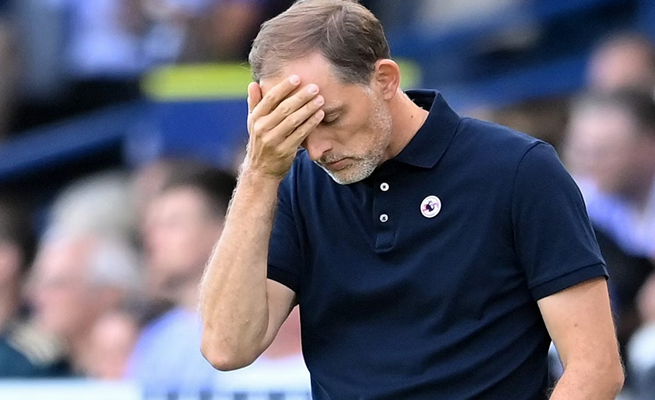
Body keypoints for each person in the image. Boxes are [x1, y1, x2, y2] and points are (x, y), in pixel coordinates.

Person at [198, 1, 624, 399]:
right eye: (297, 129)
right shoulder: (293, 183)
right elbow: (226, 347)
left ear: (385, 79)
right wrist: (258, 174)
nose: (318, 149)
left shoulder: (518, 169)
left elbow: (595, 367)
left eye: (330, 118)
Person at [125, 165, 236, 396]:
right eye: (152, 227)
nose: (153, 240)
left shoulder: (268, 326)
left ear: (224, 228)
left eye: (172, 224)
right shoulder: (156, 339)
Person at [28, 229, 141, 376]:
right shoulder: (41, 367)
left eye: (57, 284)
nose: (38, 297)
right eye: (40, 284)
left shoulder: (138, 367)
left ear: (108, 294)